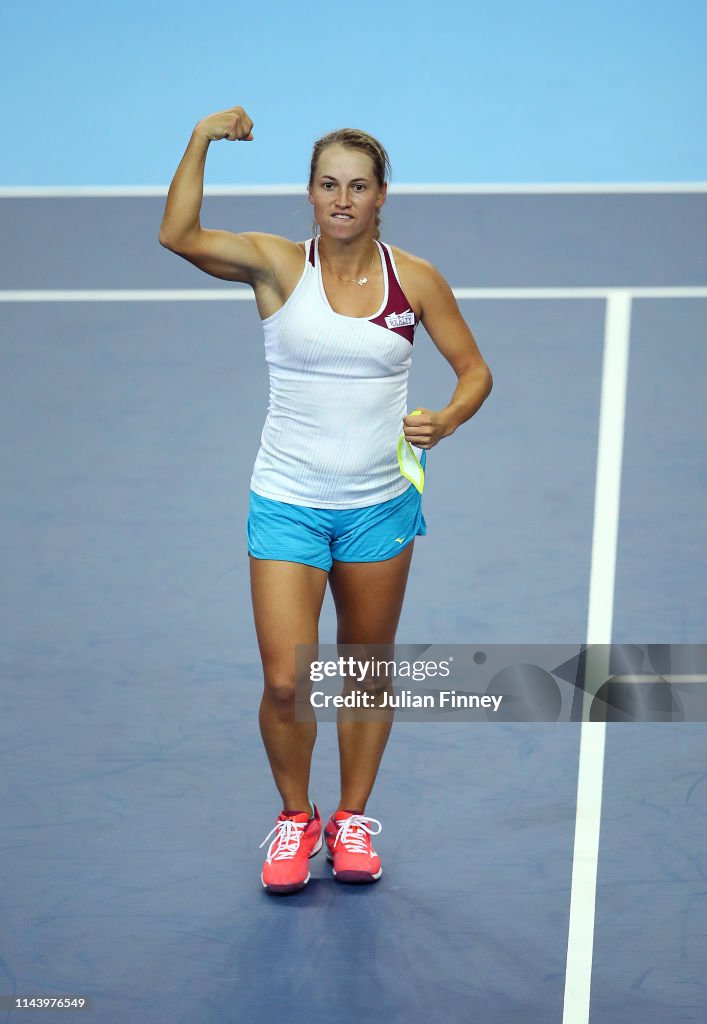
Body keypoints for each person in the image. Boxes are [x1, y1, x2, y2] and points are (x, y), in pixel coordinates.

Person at [159, 105, 492, 894]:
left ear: (382, 197)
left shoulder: (416, 280)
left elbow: (474, 369)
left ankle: (349, 820)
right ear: (309, 194)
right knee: (286, 681)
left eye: (358, 186)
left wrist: (444, 417)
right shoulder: (278, 267)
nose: (342, 199)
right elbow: (178, 235)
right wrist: (202, 138)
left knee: (364, 672)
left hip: (379, 504)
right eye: (327, 185)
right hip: (286, 499)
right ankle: (294, 817)